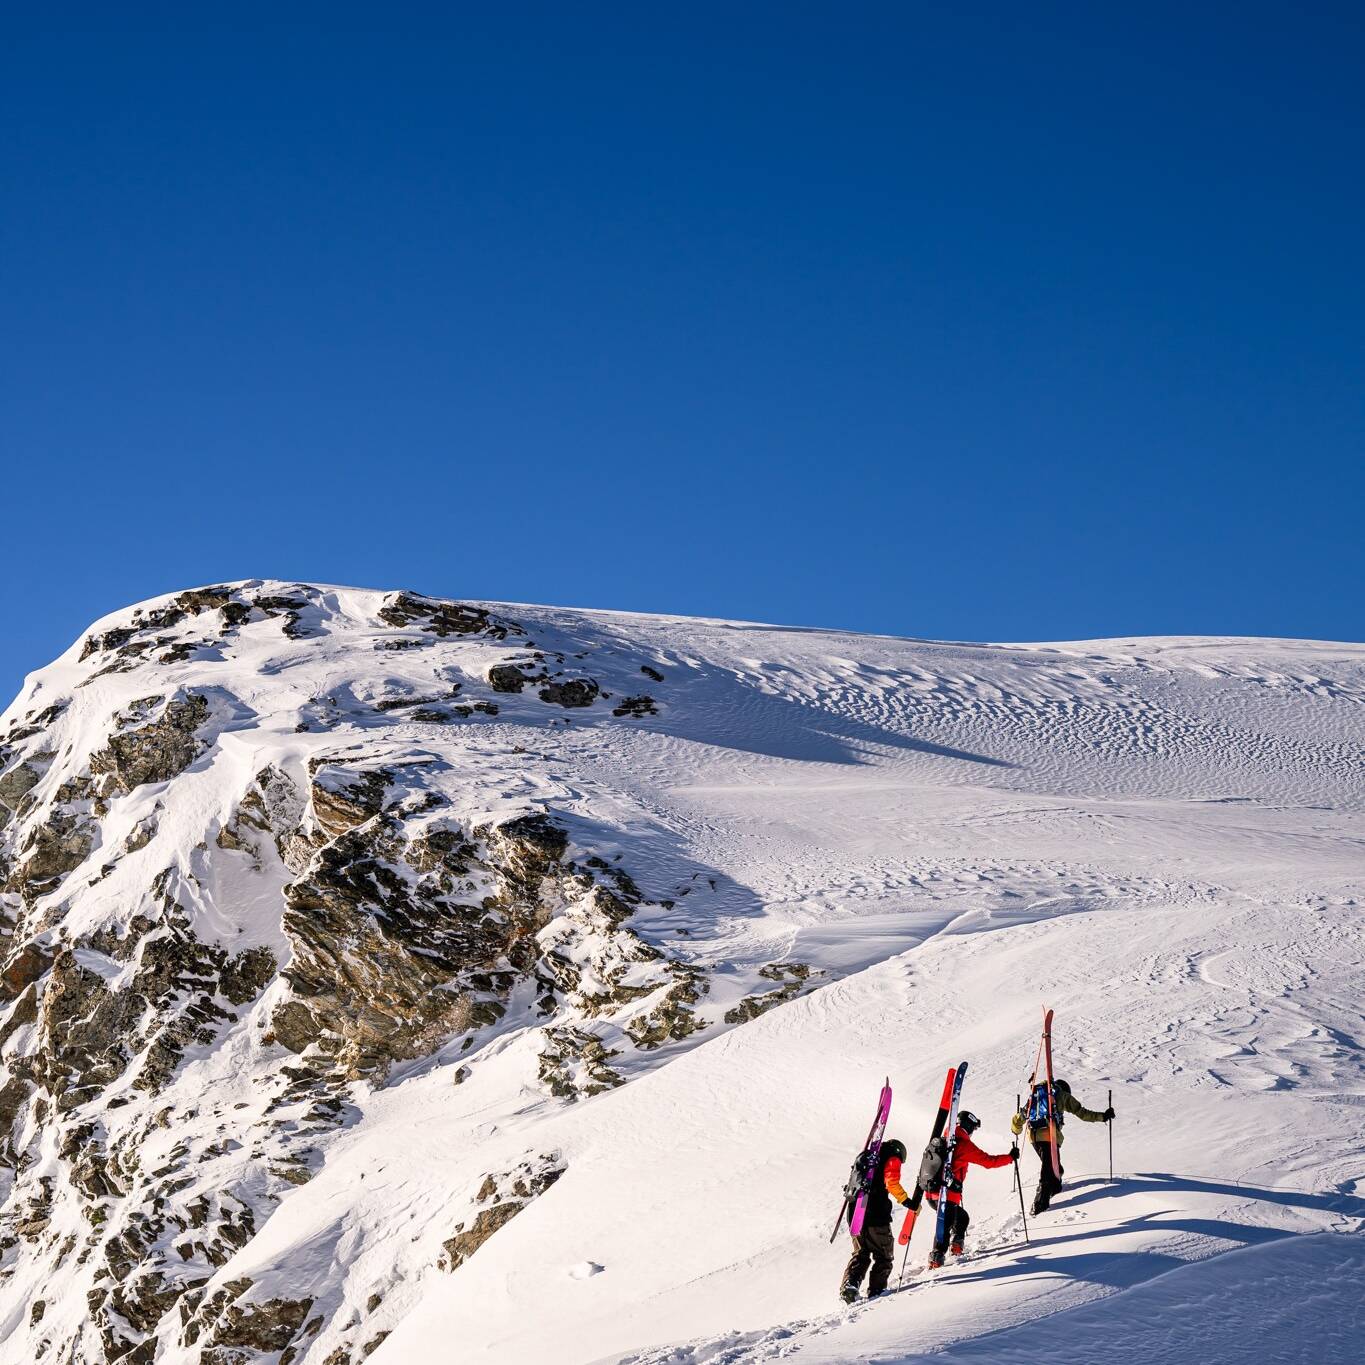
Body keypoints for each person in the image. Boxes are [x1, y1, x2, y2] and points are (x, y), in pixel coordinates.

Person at [924, 1112, 1016, 1268]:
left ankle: (956, 1248)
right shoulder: (963, 1144)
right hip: (948, 1194)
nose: (972, 1133)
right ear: (967, 1127)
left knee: (961, 1218)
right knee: (944, 1227)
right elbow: (989, 1161)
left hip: (931, 1193)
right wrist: (1010, 1157)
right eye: (972, 1128)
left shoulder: (941, 1140)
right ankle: (936, 1260)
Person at [1011, 1078, 1114, 1214]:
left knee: (1052, 1166)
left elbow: (1021, 1116)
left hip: (1034, 1137)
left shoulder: (1036, 1095)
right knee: (1048, 1170)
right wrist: (1103, 1116)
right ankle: (1039, 1205)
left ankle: (1055, 1186)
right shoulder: (1062, 1095)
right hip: (1050, 1136)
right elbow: (1082, 1113)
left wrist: (1016, 1129)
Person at [839, 1139, 911, 1302]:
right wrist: (907, 1201)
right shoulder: (891, 1157)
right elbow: (892, 1182)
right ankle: (877, 1292)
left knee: (861, 1253)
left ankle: (850, 1286)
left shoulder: (868, 1158)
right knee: (884, 1255)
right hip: (875, 1215)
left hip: (855, 1212)